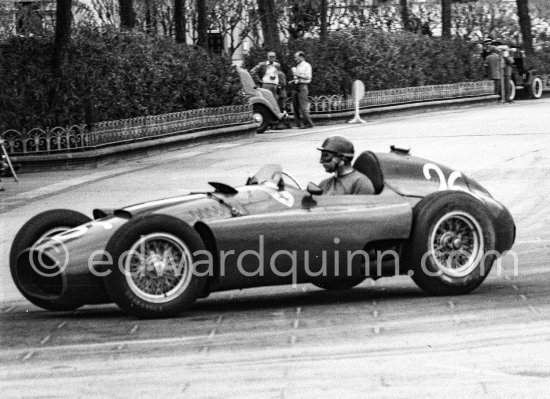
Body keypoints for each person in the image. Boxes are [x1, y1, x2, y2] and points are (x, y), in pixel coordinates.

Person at [291, 51, 315, 129]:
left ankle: (308, 123)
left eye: (296, 57)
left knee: (303, 105)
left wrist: (297, 75)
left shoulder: (306, 65)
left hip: (303, 86)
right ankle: (299, 123)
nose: (295, 59)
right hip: (297, 85)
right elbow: (297, 77)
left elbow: (308, 77)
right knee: (295, 105)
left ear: (301, 57)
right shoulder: (298, 66)